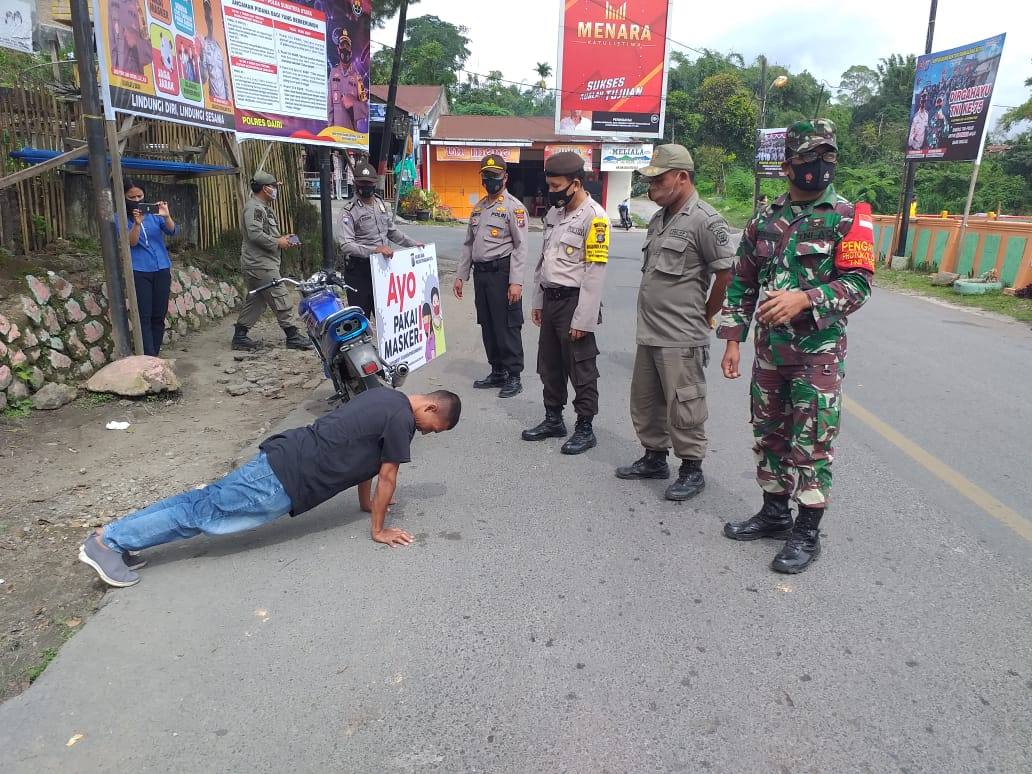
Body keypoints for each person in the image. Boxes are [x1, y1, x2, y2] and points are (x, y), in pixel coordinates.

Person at [78, 389, 462, 587]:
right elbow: (389, 474)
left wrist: (365, 504)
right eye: (432, 429)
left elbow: (368, 462)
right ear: (429, 409)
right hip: (283, 479)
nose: (426, 434)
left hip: (283, 456)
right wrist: (378, 530)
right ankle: (109, 544)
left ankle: (114, 538)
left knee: (201, 503)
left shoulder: (387, 397)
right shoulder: (403, 421)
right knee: (203, 514)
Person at [717, 119, 874, 574]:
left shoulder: (848, 216)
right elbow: (742, 281)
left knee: (812, 441)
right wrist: (732, 339)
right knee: (769, 434)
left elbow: (858, 285)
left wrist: (806, 298)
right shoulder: (765, 219)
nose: (821, 167)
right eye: (811, 158)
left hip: (817, 354)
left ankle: (807, 530)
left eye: (828, 157)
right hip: (770, 354)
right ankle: (773, 512)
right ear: (788, 165)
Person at [615, 145, 734, 501]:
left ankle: (691, 468)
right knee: (647, 400)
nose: (651, 188)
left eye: (658, 180)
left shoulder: (705, 220)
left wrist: (707, 313)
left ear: (682, 177)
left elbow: (726, 274)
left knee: (684, 404)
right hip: (650, 332)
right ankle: (654, 458)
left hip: (682, 335)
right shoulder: (659, 218)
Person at [521, 151, 609, 455]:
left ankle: (585, 427)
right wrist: (538, 299)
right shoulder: (554, 214)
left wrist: (583, 320)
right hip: (551, 299)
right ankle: (553, 419)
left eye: (557, 185)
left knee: (581, 367)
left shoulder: (595, 217)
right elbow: (543, 260)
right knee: (549, 364)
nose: (552, 191)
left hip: (575, 302)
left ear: (575, 183)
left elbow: (595, 272)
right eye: (550, 185)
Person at [453, 154, 528, 399]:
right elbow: (468, 244)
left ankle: (514, 375)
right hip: (482, 275)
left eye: (495, 176)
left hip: (502, 273)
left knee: (506, 325)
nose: (490, 181)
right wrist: (460, 276)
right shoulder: (479, 208)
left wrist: (516, 281)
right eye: (486, 176)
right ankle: (497, 371)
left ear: (505, 177)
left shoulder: (513, 208)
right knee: (487, 324)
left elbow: (520, 246)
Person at [231, 172, 311, 351]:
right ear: (265, 188)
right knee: (280, 295)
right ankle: (292, 335)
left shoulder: (262, 207)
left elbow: (262, 232)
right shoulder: (255, 208)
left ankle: (240, 336)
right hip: (260, 264)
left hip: (261, 262)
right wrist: (278, 242)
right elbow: (255, 234)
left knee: (257, 300)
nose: (275, 190)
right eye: (274, 187)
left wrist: (282, 238)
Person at [337, 161, 422, 318]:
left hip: (383, 270)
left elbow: (392, 231)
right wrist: (374, 250)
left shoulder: (380, 204)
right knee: (361, 317)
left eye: (369, 183)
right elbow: (346, 245)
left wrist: (413, 243)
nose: (366, 186)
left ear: (374, 184)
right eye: (363, 183)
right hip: (359, 272)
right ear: (355, 183)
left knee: (388, 317)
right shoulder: (348, 211)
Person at [122, 181, 179, 357]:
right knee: (144, 315)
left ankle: (154, 354)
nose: (137, 200)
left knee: (158, 315)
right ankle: (147, 356)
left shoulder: (154, 215)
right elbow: (130, 243)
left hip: (161, 268)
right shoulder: (120, 218)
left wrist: (166, 216)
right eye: (132, 197)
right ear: (124, 198)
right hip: (139, 271)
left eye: (140, 196)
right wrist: (137, 224)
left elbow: (172, 231)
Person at [327, 27, 368, 132]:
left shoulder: (357, 77)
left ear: (351, 50)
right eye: (342, 45)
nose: (345, 48)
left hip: (352, 136)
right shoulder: (333, 73)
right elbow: (330, 107)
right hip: (336, 135)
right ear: (338, 49)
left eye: (347, 45)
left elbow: (366, 110)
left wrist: (354, 103)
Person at [200, 0, 229, 102]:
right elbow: (203, 79)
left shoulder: (218, 47)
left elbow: (225, 77)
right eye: (207, 16)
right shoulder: (203, 46)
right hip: (214, 102)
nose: (210, 19)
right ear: (205, 18)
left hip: (225, 101)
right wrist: (202, 55)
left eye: (210, 14)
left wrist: (228, 99)